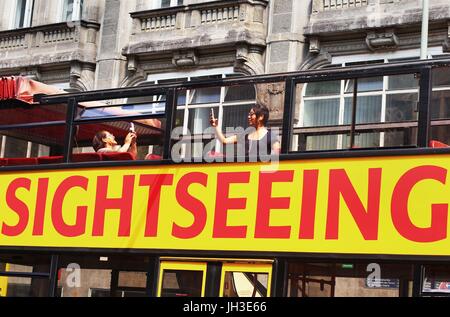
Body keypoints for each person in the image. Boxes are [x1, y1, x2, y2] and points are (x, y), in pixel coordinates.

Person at [210, 102, 281, 159]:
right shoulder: (245, 135)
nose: (248, 116)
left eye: (251, 114)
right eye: (249, 114)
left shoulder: (270, 136)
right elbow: (224, 141)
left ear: (261, 117)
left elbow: (279, 156)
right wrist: (215, 126)